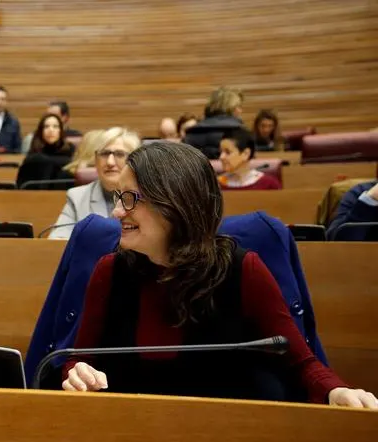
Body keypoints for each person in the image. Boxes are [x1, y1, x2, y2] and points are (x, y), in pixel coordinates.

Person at [61, 141, 377, 409]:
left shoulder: (243, 270)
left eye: (129, 198)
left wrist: (337, 391)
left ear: (174, 203)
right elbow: (77, 360)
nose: (117, 212)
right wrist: (77, 374)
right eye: (118, 198)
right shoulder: (110, 271)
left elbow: (300, 362)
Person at [49, 128, 140, 239]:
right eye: (104, 154)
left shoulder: (147, 198)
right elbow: (58, 239)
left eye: (119, 154)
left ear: (134, 161)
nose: (110, 162)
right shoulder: (77, 197)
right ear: (96, 161)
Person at [16, 114, 75, 189]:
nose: (51, 130)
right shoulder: (33, 156)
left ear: (60, 131)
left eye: (55, 126)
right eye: (46, 127)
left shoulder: (69, 150)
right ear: (41, 131)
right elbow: (21, 184)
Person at [184, 87, 245, 158]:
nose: (241, 111)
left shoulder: (190, 134)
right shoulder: (241, 135)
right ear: (231, 108)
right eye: (239, 107)